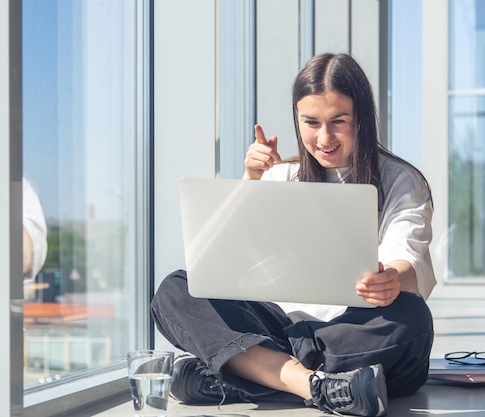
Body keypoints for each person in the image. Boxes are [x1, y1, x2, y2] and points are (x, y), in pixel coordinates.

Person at [151, 53, 436, 417]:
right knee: (174, 289)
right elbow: (226, 264)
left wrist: (392, 279)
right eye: (311, 122)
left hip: (348, 330)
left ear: (361, 118)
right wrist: (250, 184)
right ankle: (317, 386)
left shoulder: (401, 181)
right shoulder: (280, 176)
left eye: (339, 121)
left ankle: (245, 371)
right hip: (279, 323)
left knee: (411, 318)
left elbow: (407, 255)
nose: (324, 137)